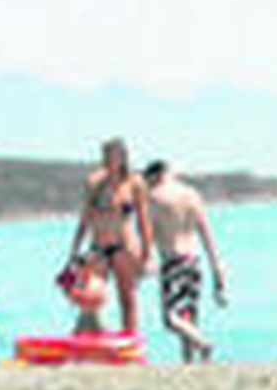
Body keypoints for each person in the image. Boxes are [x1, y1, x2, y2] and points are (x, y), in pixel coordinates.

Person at [144, 160, 228, 362]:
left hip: (172, 261)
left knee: (171, 319)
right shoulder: (192, 195)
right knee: (189, 317)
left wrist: (147, 260)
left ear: (155, 176)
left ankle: (204, 344)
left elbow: (148, 234)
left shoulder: (154, 197)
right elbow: (206, 233)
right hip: (194, 261)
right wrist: (217, 267)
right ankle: (188, 364)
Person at [67, 138, 153, 335]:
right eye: (105, 155)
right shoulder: (95, 182)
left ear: (123, 157)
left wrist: (146, 253)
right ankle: (89, 334)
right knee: (90, 298)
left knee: (128, 299)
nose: (107, 160)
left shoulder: (134, 183)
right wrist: (75, 248)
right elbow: (85, 217)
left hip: (124, 246)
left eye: (112, 156)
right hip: (99, 247)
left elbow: (143, 221)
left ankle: (130, 337)